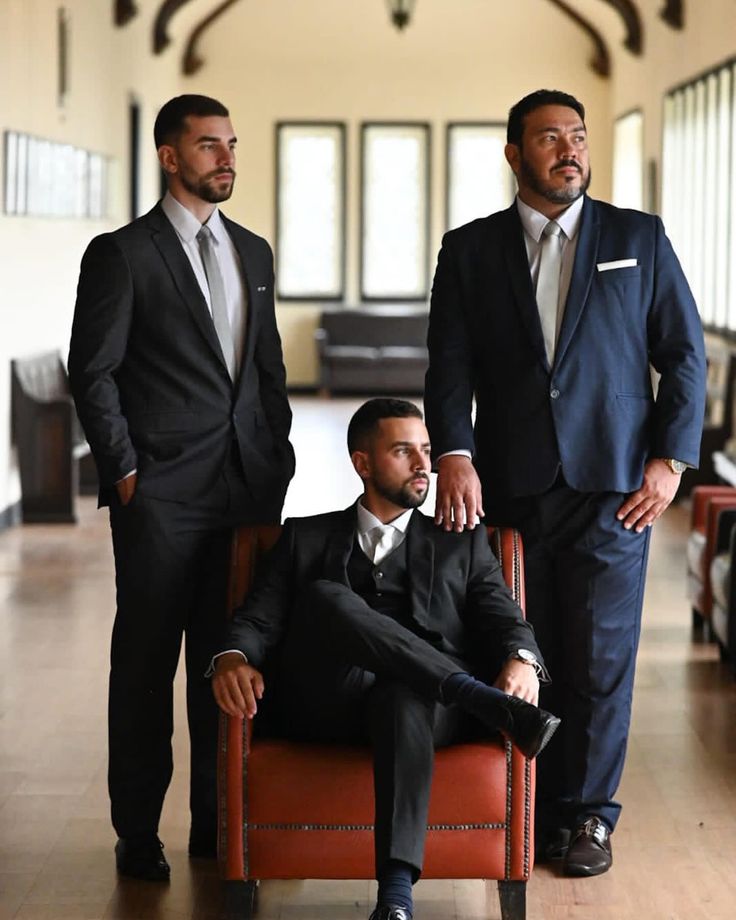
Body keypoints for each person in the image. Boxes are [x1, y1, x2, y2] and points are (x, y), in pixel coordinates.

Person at [424, 89, 706, 877]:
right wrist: (455, 453)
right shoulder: (470, 250)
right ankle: (527, 805)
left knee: (599, 659)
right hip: (509, 488)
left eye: (577, 136)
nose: (568, 149)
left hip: (617, 487)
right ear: (515, 155)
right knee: (518, 648)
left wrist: (671, 458)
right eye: (549, 138)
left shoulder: (636, 237)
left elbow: (683, 354)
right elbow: (449, 369)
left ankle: (587, 819)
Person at [212, 398, 559, 920]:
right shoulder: (305, 537)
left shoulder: (462, 545)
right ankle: (477, 697)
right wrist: (232, 657)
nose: (425, 466)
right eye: (404, 451)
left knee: (403, 696)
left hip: (420, 713)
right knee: (327, 596)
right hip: (327, 703)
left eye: (427, 451)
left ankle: (395, 900)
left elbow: (505, 618)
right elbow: (256, 621)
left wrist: (522, 659)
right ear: (363, 463)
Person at [68, 94, 294, 881]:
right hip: (160, 495)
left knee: (227, 662)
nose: (226, 158)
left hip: (247, 490)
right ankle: (138, 832)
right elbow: (91, 372)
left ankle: (215, 826)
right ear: (170, 156)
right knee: (145, 664)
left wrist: (279, 457)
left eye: (230, 144)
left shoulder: (255, 252)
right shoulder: (122, 254)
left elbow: (267, 369)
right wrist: (125, 469)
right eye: (208, 146)